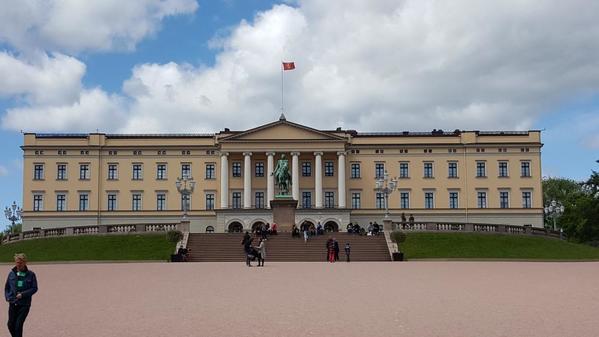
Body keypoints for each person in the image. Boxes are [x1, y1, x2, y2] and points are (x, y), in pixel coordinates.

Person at [5, 253, 38, 337]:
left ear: (25, 262)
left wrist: (23, 294)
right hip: (13, 303)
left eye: (20, 262)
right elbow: (7, 287)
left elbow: (34, 288)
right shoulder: (11, 273)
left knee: (18, 326)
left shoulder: (31, 274)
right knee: (10, 325)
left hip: (24, 304)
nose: (18, 264)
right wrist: (7, 297)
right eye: (17, 262)